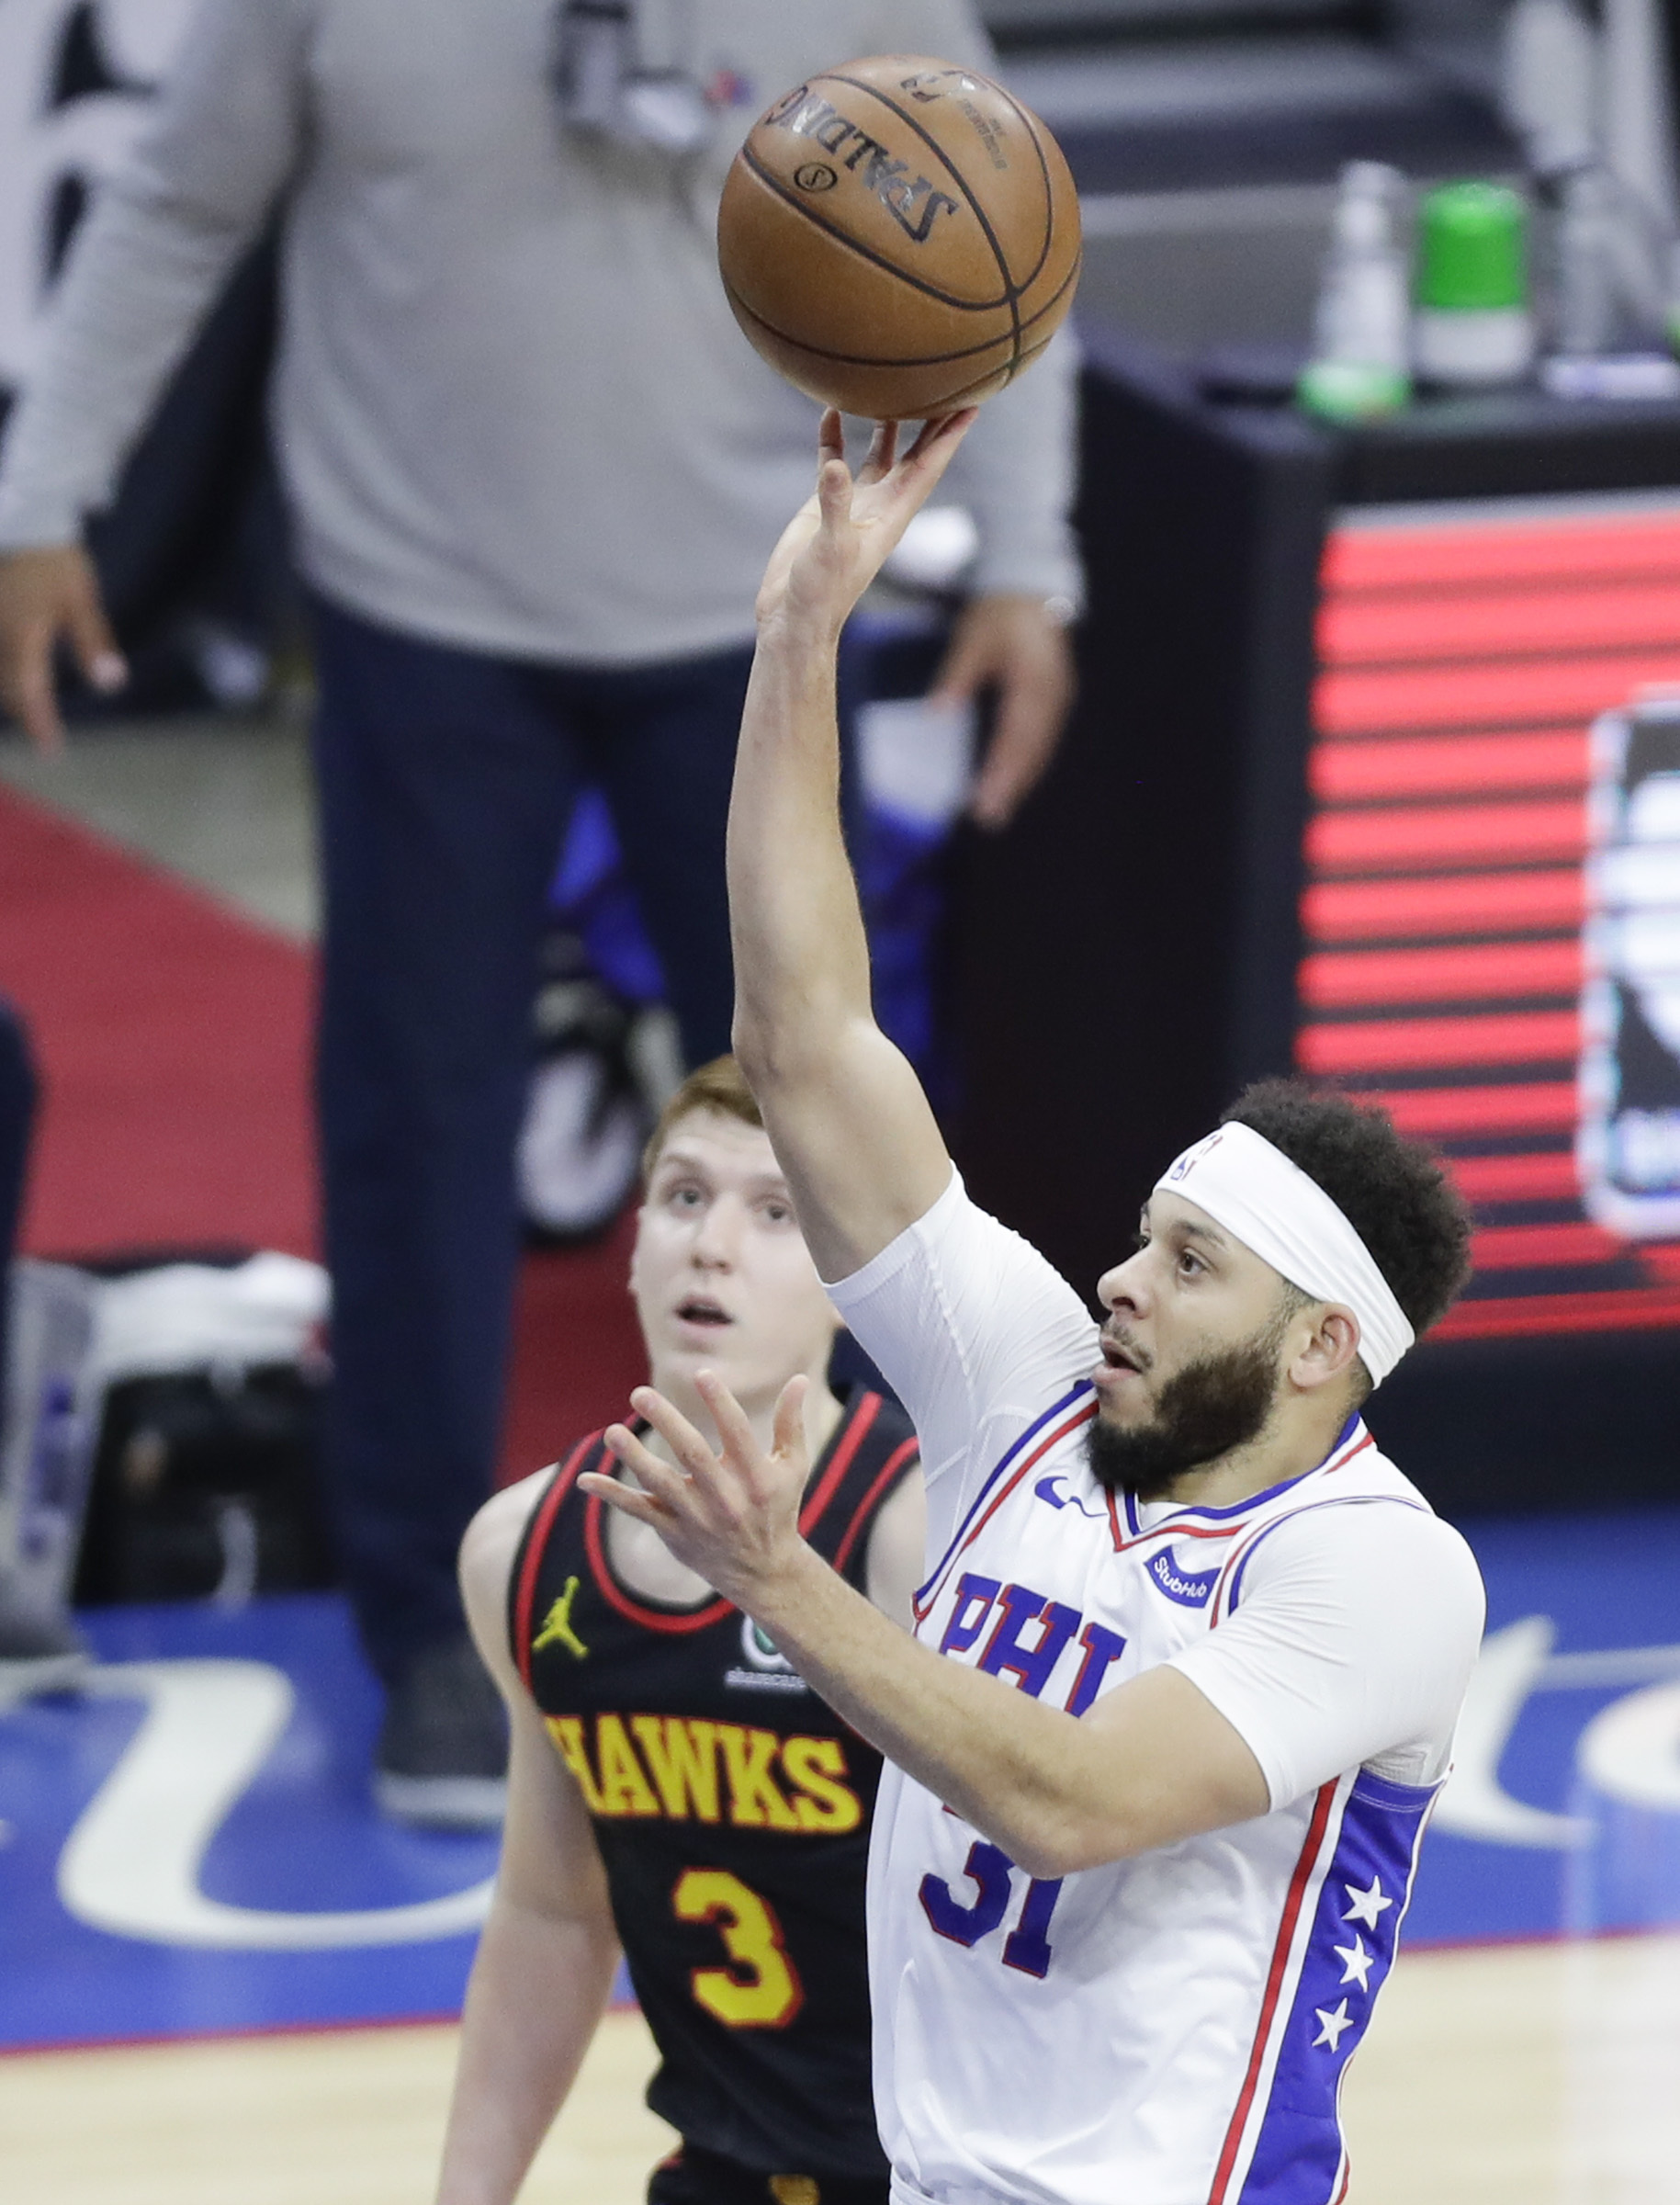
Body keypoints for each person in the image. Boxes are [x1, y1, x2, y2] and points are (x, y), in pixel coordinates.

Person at [0, 1, 1077, 1818]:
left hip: (753, 603)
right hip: (417, 606)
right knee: (416, 1116)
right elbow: (182, 202)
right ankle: (433, 1628)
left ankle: (918, 1577)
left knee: (833, 1114)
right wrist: (44, 494)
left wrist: (1029, 564)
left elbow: (997, 235)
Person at [581, 412, 1489, 2205]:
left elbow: (1071, 1801)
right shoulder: (1029, 1393)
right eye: (1141, 1239)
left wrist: (783, 1586)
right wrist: (797, 643)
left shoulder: (1375, 1570)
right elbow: (805, 1042)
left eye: (1184, 1264)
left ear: (1320, 1348)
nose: (1116, 1282)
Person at [436, 1053, 923, 2205]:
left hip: (951, 2175)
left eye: (774, 1213)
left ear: (852, 1273)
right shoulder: (519, 1551)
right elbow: (553, 1914)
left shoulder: (916, 1538)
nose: (712, 1244)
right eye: (685, 1196)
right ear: (637, 1238)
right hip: (725, 2171)